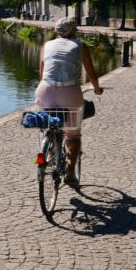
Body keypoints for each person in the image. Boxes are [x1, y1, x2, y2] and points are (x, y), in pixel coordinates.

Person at [35, 17, 103, 187]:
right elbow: (91, 73)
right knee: (73, 134)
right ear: (75, 31)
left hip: (45, 90)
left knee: (49, 121)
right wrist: (96, 89)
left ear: (56, 31)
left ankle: (48, 148)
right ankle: (71, 173)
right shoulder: (81, 46)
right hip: (69, 92)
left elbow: (42, 72)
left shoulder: (47, 45)